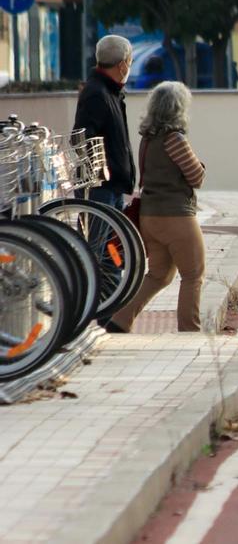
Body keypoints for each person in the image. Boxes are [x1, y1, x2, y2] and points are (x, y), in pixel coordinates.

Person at [107, 81, 206, 333]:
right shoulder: (175, 139)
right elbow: (196, 177)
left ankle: (120, 319)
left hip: (150, 216)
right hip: (176, 216)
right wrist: (200, 165)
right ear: (178, 108)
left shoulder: (148, 139)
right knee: (193, 275)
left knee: (159, 275)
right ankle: (190, 330)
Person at [75, 35, 136, 209]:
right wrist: (102, 173)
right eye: (130, 61)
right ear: (122, 65)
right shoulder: (97, 93)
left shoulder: (109, 92)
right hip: (102, 188)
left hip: (112, 185)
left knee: (112, 236)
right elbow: (81, 137)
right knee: (97, 236)